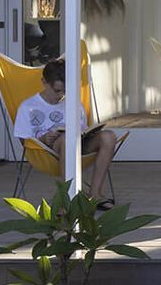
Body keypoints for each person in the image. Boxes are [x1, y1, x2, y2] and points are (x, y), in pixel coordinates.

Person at [13, 57, 120, 208]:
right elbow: (24, 141)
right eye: (57, 90)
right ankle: (67, 198)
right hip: (48, 152)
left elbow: (82, 129)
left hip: (79, 146)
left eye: (65, 90)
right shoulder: (28, 107)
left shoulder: (73, 103)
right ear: (44, 82)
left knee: (109, 137)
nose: (61, 95)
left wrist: (87, 132)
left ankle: (95, 193)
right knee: (66, 139)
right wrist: (43, 139)